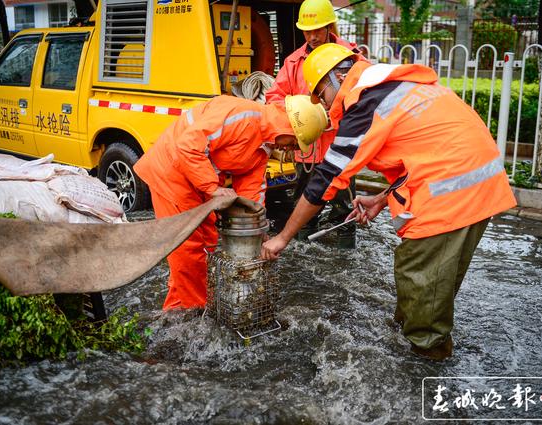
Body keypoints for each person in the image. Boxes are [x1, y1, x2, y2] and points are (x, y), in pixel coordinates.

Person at [261, 44, 517, 360]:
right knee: (424, 289)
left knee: (422, 287)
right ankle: (415, 343)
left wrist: (283, 238)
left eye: (322, 96)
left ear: (334, 80)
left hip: (451, 195)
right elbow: (425, 151)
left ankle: (426, 367)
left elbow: (326, 178)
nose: (326, 106)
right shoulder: (391, 84)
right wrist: (382, 199)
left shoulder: (366, 100)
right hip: (474, 185)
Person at [134, 95, 327, 310]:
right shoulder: (242, 117)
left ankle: (178, 306)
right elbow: (187, 146)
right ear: (288, 129)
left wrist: (258, 230)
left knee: (208, 242)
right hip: (171, 173)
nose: (290, 150)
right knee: (187, 250)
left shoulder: (263, 144)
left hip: (197, 182)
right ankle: (194, 313)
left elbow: (252, 189)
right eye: (292, 144)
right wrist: (212, 188)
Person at [265, 0, 363, 246]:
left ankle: (345, 247)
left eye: (317, 30)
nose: (312, 36)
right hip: (307, 149)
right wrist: (298, 111)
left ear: (329, 26)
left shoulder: (349, 58)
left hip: (340, 145)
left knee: (344, 207)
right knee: (304, 203)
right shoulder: (293, 62)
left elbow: (362, 94)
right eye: (307, 31)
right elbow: (274, 98)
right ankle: (301, 247)